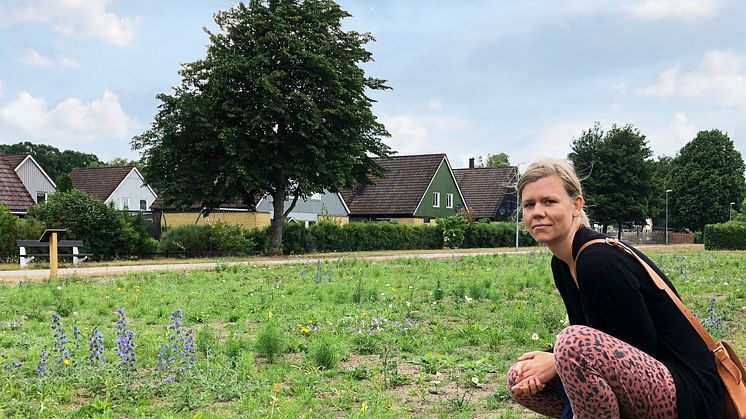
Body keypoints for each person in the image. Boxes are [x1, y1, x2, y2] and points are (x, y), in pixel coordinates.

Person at [506, 159, 723, 419]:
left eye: (549, 201)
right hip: (643, 380)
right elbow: (599, 336)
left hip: (688, 395)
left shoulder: (599, 259)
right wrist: (549, 362)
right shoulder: (563, 263)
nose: (537, 212)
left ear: (577, 205)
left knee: (572, 345)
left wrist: (555, 360)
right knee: (521, 374)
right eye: (529, 204)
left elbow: (638, 346)